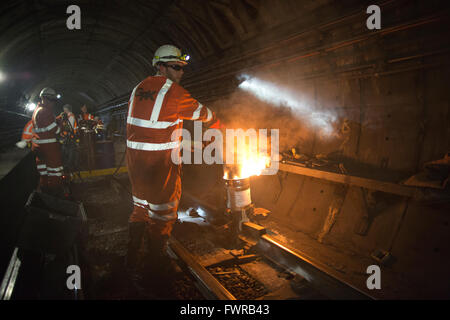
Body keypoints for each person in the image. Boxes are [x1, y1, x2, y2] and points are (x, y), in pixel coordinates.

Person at [125, 44, 219, 284]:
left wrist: (184, 144)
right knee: (163, 212)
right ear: (161, 66)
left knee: (140, 207)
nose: (181, 72)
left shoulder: (138, 88)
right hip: (160, 164)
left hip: (136, 162)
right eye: (176, 67)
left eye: (182, 68)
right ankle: (155, 266)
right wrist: (217, 121)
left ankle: (131, 257)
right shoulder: (173, 92)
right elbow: (204, 114)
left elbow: (153, 127)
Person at [31, 88, 64, 195]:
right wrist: (61, 124)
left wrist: (57, 119)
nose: (53, 103)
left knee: (44, 172)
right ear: (45, 99)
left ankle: (45, 192)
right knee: (55, 171)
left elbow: (45, 126)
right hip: (49, 148)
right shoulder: (45, 112)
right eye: (52, 100)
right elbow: (56, 130)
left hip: (39, 147)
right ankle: (56, 193)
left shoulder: (38, 110)